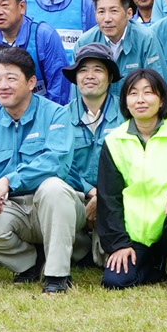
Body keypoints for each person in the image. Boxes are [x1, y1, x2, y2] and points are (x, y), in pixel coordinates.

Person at [0, 45, 84, 294]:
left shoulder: (55, 115)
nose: (2, 85)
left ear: (30, 82)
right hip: (14, 209)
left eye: (11, 78)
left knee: (52, 187)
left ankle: (57, 275)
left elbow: (56, 162)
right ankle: (32, 262)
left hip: (56, 205)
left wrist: (7, 181)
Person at [97, 67, 167, 289]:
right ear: (126, 102)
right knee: (115, 282)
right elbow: (108, 198)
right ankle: (154, 265)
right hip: (136, 233)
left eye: (148, 92)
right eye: (133, 93)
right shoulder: (114, 141)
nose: (140, 99)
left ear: (161, 100)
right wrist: (119, 243)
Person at [55, 42, 124, 255]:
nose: (89, 76)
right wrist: (90, 191)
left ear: (110, 77)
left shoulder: (126, 113)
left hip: (117, 196)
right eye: (83, 70)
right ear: (75, 78)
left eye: (98, 70)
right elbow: (60, 162)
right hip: (77, 195)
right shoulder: (60, 116)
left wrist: (103, 194)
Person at [76, 0, 158, 99]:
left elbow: (159, 86)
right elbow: (76, 92)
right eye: (101, 12)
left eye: (114, 11)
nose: (107, 19)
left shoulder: (146, 38)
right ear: (95, 15)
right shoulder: (85, 42)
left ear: (129, 14)